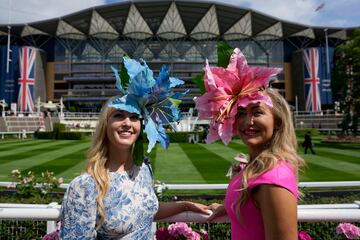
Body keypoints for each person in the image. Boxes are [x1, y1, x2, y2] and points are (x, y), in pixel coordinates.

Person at [59, 57, 208, 239]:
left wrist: (185, 205)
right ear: (105, 125)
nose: (127, 123)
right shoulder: (84, 186)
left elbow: (143, 211)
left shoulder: (143, 168)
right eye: (119, 116)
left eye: (134, 117)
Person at [195, 48, 305, 240]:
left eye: (257, 112)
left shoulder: (273, 178)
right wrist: (228, 208)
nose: (247, 121)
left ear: (277, 121)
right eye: (241, 113)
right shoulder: (258, 168)